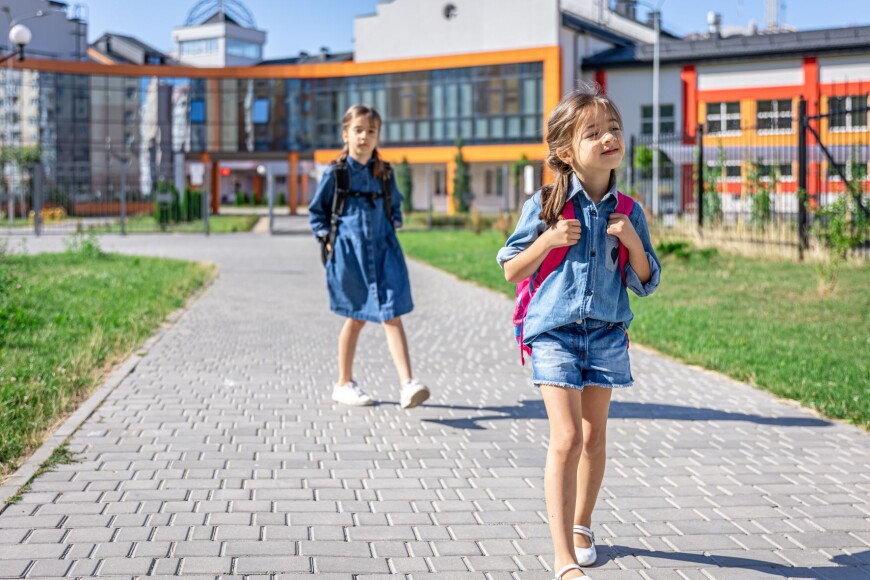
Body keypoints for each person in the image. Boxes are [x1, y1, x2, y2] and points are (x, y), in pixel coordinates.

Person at [497, 83, 661, 580]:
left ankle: (582, 526)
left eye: (614, 129)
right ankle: (562, 558)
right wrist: (546, 239)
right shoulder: (546, 204)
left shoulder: (629, 211)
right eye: (594, 132)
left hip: (607, 334)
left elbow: (647, 279)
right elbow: (510, 269)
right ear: (567, 151)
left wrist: (632, 242)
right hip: (554, 333)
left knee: (593, 439)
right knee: (566, 438)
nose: (609, 137)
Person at [309, 104, 430, 410]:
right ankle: (343, 383)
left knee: (392, 313)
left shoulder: (384, 173)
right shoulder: (336, 174)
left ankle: (408, 384)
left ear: (378, 137)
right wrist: (326, 239)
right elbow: (317, 212)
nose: (364, 136)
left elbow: (396, 207)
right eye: (358, 130)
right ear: (345, 134)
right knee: (355, 318)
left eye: (371, 131)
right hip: (350, 257)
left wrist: (394, 223)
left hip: (384, 252)